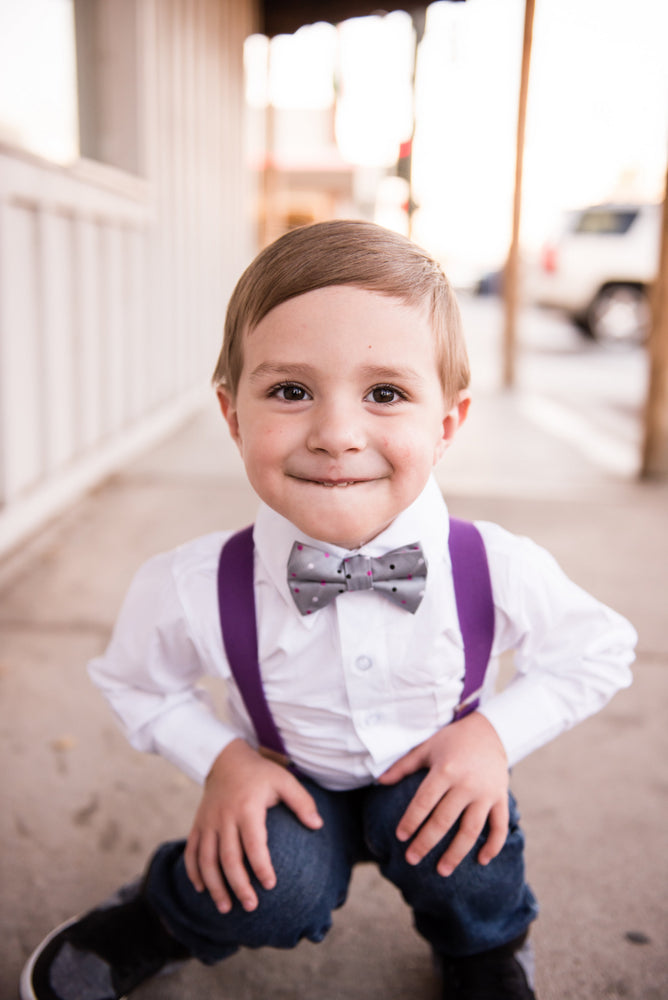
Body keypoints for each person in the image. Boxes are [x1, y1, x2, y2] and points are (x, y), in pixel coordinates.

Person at [21, 221, 636, 1000]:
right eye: (290, 391)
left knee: (470, 846)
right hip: (288, 781)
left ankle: (484, 947)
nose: (337, 435)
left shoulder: (493, 567)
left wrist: (492, 737)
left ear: (445, 424)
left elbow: (600, 649)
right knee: (263, 880)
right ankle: (167, 915)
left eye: (385, 394)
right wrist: (222, 759)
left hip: (433, 773)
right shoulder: (194, 583)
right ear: (232, 413)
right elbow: (138, 682)